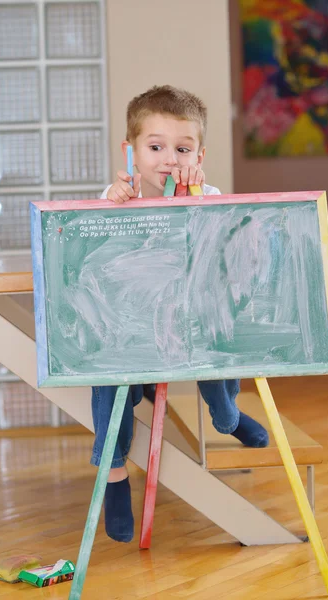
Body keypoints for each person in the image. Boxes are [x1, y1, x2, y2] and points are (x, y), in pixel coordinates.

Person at [91, 85, 269, 543]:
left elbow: (224, 252)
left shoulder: (205, 191)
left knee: (219, 332)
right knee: (104, 375)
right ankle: (113, 477)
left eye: (182, 148)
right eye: (156, 147)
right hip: (132, 330)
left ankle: (227, 416)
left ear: (200, 153)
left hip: (190, 321)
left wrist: (193, 198)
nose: (169, 159)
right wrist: (110, 207)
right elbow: (94, 261)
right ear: (130, 151)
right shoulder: (119, 196)